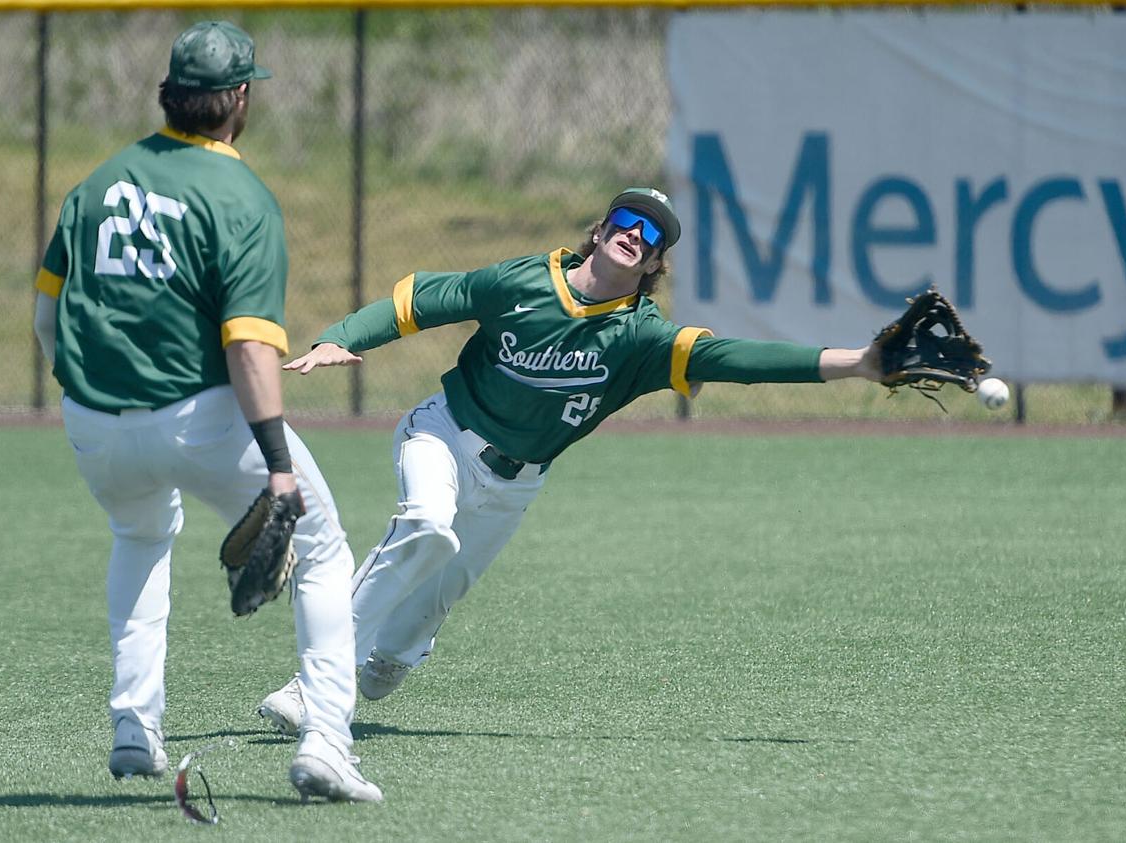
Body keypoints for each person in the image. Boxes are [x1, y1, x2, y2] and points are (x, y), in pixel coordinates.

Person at [256, 187, 882, 728]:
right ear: (599, 230)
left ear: (656, 261)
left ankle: (396, 647)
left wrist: (857, 362)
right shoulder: (521, 282)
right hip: (445, 432)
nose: (635, 234)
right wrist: (340, 337)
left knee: (430, 606)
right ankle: (315, 686)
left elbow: (743, 361)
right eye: (626, 221)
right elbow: (414, 303)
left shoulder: (641, 338)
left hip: (515, 485)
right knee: (424, 525)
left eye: (652, 234)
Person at [32, 21, 380, 803]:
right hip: (199, 419)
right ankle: (326, 739)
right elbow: (251, 351)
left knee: (140, 534)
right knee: (321, 547)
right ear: (241, 98)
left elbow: (47, 316)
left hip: (93, 421)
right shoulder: (240, 194)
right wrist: (279, 468)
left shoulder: (96, 183)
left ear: (171, 93)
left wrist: (84, 394)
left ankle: (134, 723)